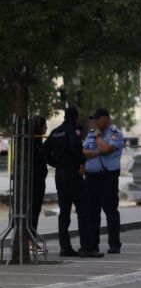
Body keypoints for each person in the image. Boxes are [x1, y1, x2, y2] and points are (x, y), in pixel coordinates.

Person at [44, 107, 87, 257]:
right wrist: (82, 162)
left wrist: (55, 163)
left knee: (64, 212)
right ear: (76, 117)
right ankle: (86, 247)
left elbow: (45, 151)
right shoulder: (73, 130)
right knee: (83, 209)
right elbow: (75, 146)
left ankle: (65, 247)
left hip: (60, 174)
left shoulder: (56, 131)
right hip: (72, 173)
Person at [82, 108, 124, 256]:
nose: (95, 122)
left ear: (106, 118)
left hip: (108, 177)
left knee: (111, 211)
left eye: (98, 119)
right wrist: (97, 151)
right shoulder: (91, 133)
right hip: (91, 178)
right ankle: (93, 245)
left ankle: (114, 244)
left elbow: (106, 149)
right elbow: (83, 151)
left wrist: (99, 139)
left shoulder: (115, 133)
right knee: (92, 213)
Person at [29, 116, 48, 233]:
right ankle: (30, 239)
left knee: (35, 211)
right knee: (33, 211)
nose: (46, 128)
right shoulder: (35, 144)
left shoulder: (38, 142)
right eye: (44, 125)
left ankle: (31, 238)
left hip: (38, 182)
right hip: (34, 183)